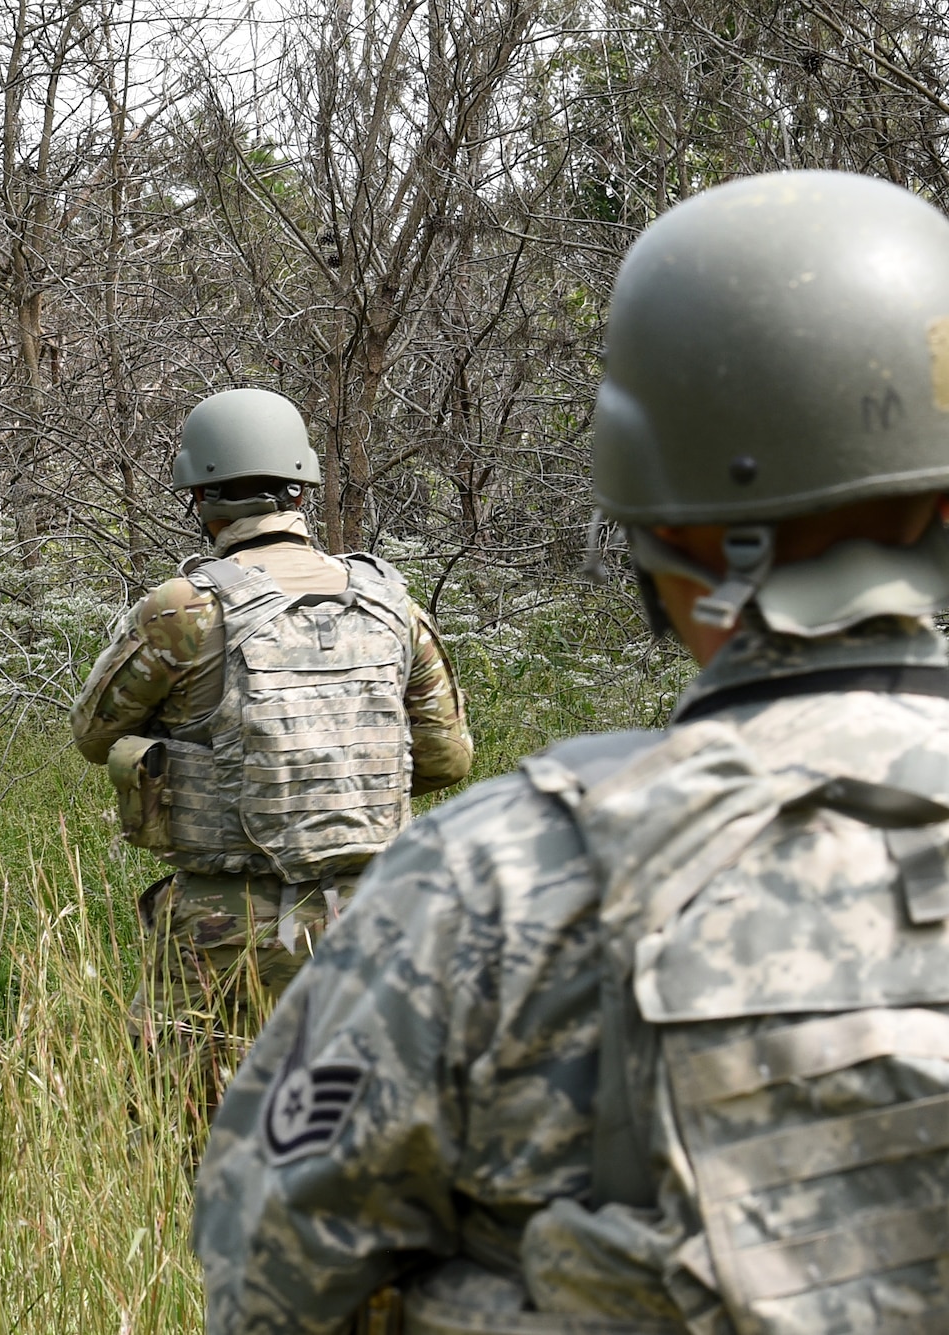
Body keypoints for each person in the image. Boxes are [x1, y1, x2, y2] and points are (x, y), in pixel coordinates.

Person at [194, 169, 949, 1334]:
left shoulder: (492, 883)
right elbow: (439, 743)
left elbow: (268, 1281)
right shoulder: (388, 613)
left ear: (656, 509)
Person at [70, 387, 472, 1114]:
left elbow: (94, 734)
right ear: (300, 488)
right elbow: (447, 759)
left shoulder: (184, 611)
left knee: (178, 1133)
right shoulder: (391, 605)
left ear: (201, 498)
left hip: (222, 926)